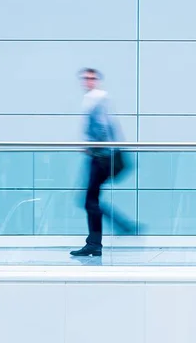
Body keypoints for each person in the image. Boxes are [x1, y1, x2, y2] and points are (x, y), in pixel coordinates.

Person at [70, 68, 135, 257]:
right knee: (91, 200)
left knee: (89, 200)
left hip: (100, 157)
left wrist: (93, 147)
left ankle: (101, 239)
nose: (88, 81)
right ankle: (97, 241)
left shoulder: (97, 99)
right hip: (100, 155)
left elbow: (103, 127)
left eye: (92, 78)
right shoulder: (95, 99)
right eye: (86, 78)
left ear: (97, 80)